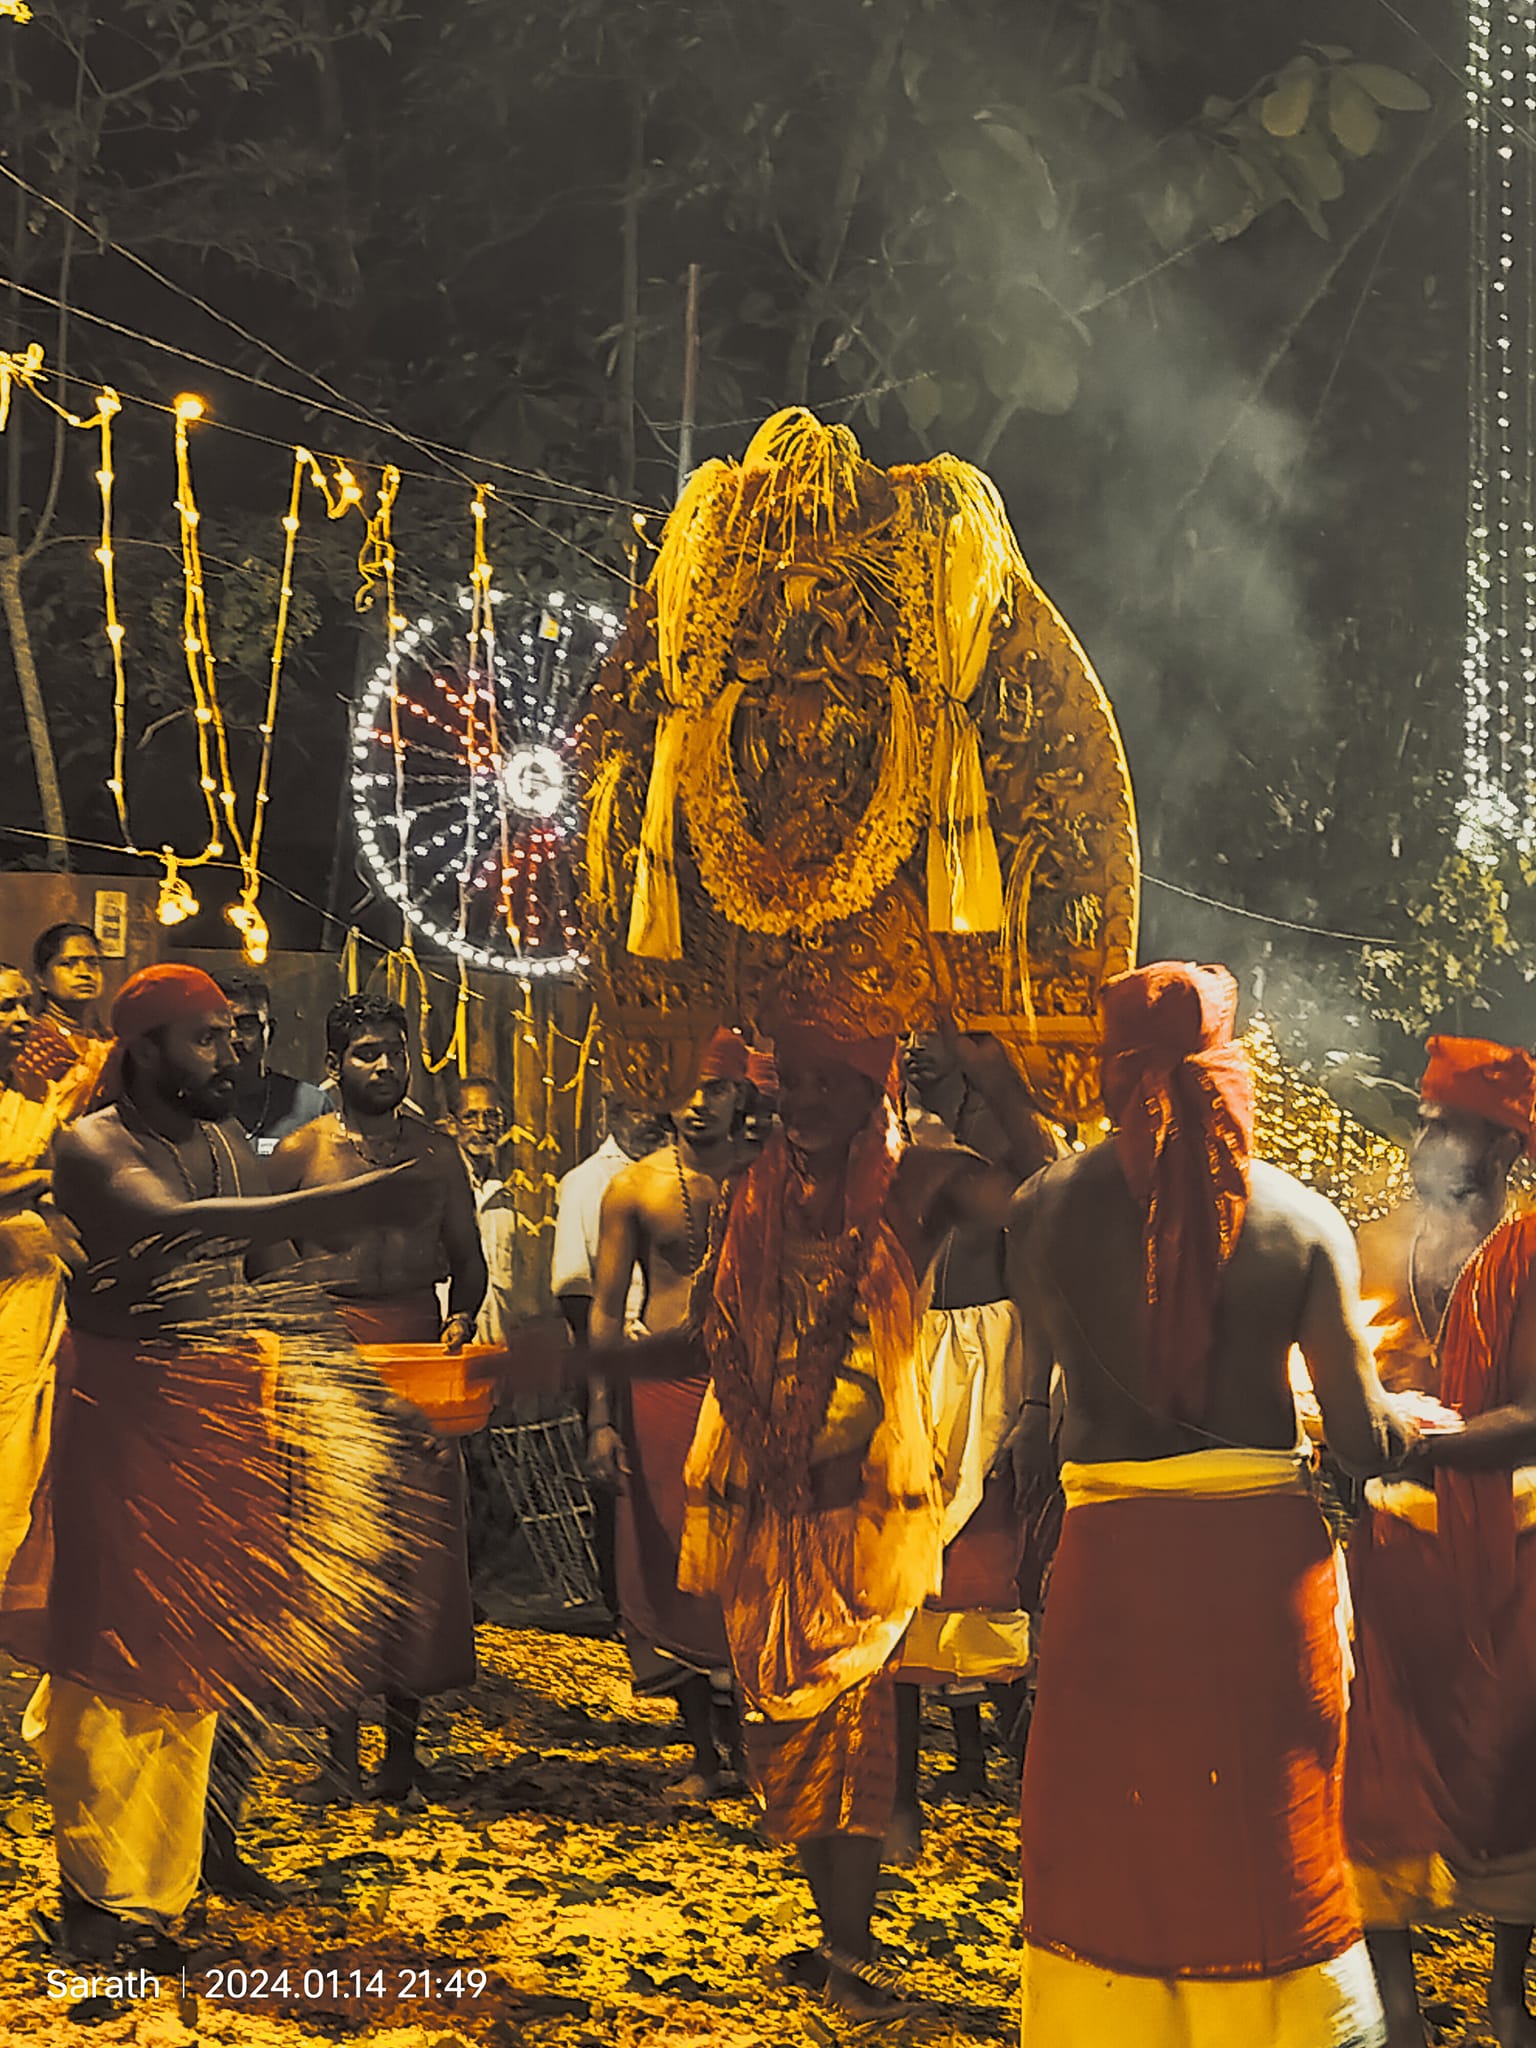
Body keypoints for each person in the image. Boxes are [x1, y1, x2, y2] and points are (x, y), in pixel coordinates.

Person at [1007, 961, 1404, 2048]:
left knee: (1113, 1822)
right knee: (1263, 1828)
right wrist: (1408, 1425)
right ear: (1230, 1065)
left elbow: (1040, 1400)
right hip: (1256, 1581)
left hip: (1110, 1569)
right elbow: (1363, 1440)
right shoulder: (1304, 1220)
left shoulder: (1038, 1209)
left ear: (1107, 1069)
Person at [2, 965, 409, 1956]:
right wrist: (356, 1196)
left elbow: (267, 1273)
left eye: (235, 1034)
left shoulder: (226, 1140)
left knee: (196, 1661)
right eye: (210, 1038)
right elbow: (172, 1225)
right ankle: (98, 1901)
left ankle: (160, 1890)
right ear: (144, 1050)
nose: (237, 1053)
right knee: (114, 1663)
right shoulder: (92, 1143)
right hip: (124, 1421)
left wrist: (351, 1374)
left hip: (221, 1416)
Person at [673, 1005, 1055, 2013]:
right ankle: (832, 1934)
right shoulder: (756, 1182)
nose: (801, 1103)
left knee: (850, 1712)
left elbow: (1046, 1199)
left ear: (876, 1090)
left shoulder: (922, 1178)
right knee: (779, 1720)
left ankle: (849, 1953)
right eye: (790, 1081)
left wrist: (1005, 1085)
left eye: (827, 1084)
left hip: (863, 1490)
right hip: (758, 1476)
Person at [1346, 1035, 1536, 2048]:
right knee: (1380, 1766)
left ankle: (1508, 1995)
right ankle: (1401, 2009)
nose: (1421, 1133)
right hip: (1393, 1552)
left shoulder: (1532, 1250)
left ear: (1501, 1143)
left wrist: (1426, 1436)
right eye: (1421, 1114)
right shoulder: (1372, 1242)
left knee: (1512, 1765)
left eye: (1443, 1117)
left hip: (1512, 1550)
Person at [268, 992, 488, 1802]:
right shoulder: (300, 1155)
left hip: (421, 1355)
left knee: (418, 1554)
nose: (385, 1065)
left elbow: (469, 1263)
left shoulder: (435, 1156)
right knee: (336, 1549)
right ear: (334, 1067)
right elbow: (261, 1262)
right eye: (366, 1052)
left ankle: (402, 1755)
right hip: (332, 1356)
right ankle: (338, 1756)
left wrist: (462, 1319)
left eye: (395, 1050)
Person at [889, 1022, 1058, 1859]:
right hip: (903, 1364)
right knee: (898, 1576)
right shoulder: (881, 1138)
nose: (917, 1046)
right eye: (905, 1030)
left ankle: (1025, 1798)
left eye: (936, 1029)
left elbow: (1041, 1268)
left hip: (991, 1367)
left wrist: (1031, 1403)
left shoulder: (1005, 1145)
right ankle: (901, 1805)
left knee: (989, 1574)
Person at [588, 1029, 748, 1797]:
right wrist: (601, 1420)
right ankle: (705, 1757)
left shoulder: (772, 1177)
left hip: (753, 1394)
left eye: (714, 1087)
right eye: (686, 1085)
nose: (697, 1104)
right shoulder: (637, 1188)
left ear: (741, 1090)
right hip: (660, 1396)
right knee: (667, 1564)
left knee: (752, 1565)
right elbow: (607, 1314)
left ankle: (759, 1754)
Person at [0, 964, 74, 1591]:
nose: (22, 1020)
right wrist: (39, 1181)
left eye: (24, 1005)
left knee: (24, 1437)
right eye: (6, 1008)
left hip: (34, 1286)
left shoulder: (35, 1098)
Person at [550, 1094, 669, 1343]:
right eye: (637, 1111)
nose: (650, 1120)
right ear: (614, 1117)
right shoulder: (585, 1181)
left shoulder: (677, 1176)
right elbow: (572, 1287)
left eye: (657, 1111)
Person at [213, 971, 329, 1157]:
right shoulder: (190, 1107)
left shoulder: (310, 1105)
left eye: (247, 1026)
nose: (234, 1038)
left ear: (270, 1032)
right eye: (223, 1026)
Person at [11, 924, 110, 1123]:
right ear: (41, 980)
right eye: (67, 963)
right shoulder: (33, 1043)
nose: (84, 972)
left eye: (93, 962)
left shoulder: (107, 1039)